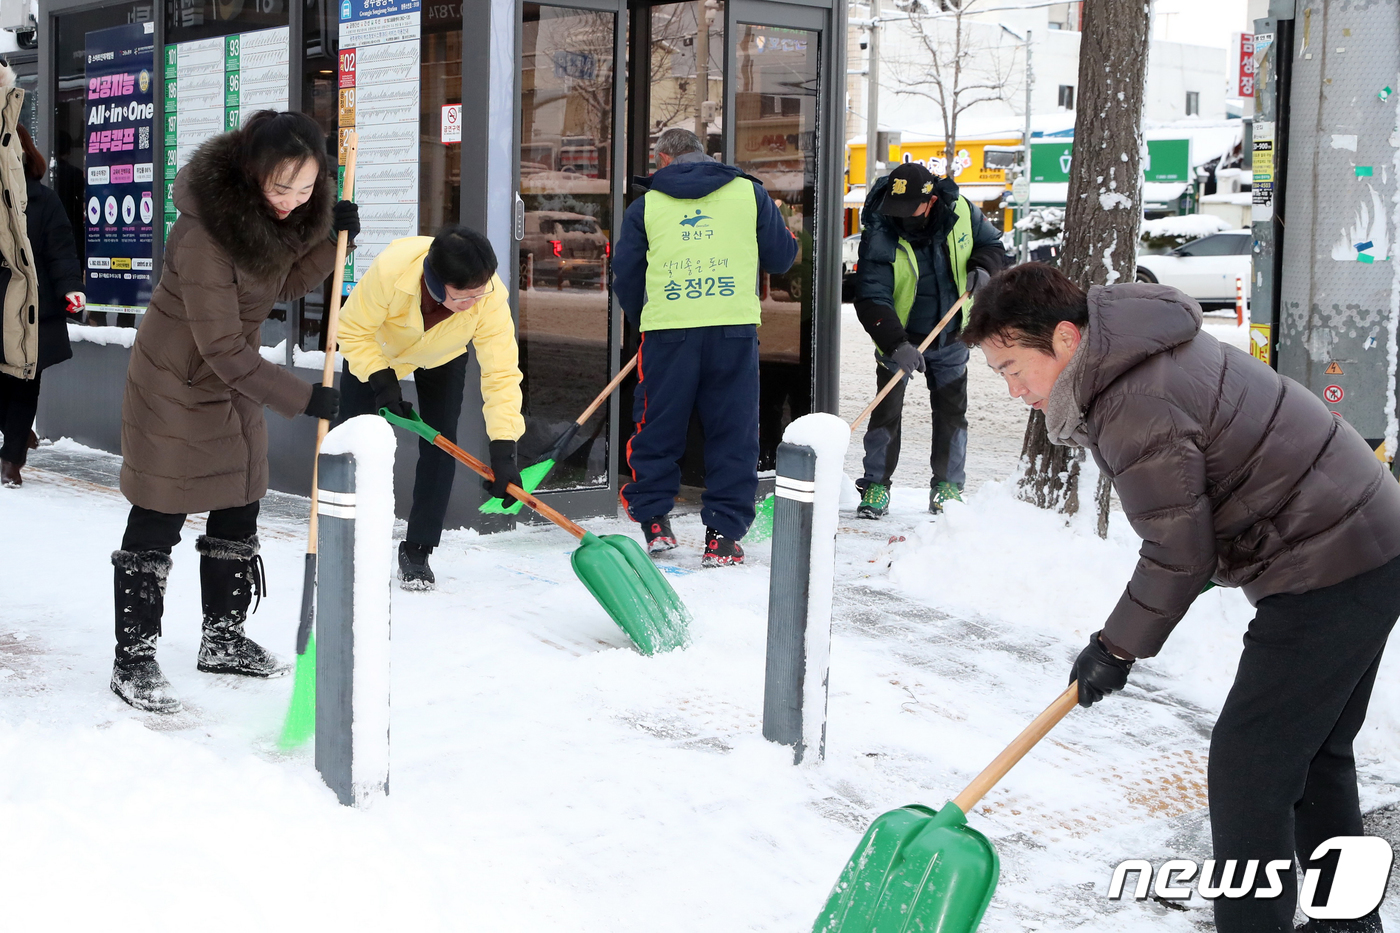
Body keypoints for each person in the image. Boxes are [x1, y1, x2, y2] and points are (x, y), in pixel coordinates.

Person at [962, 263, 1400, 933]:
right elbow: (1195, 525)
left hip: (1329, 561)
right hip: (1364, 539)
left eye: (1015, 368)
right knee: (1312, 751)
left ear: (1067, 338)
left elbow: (1178, 551)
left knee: (1250, 766)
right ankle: (1348, 922)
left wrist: (1114, 647)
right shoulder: (1140, 356)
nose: (1016, 389)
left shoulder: (1133, 401)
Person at [111, 110, 359, 713]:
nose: (293, 202)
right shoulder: (205, 235)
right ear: (251, 174)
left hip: (230, 378)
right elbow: (220, 345)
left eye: (307, 191)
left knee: (239, 500)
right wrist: (304, 397)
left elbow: (279, 285)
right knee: (159, 511)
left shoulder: (265, 220)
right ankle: (133, 658)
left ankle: (222, 637)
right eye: (282, 188)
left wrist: (328, 243)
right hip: (176, 382)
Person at [612, 127, 798, 566]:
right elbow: (782, 258)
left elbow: (626, 273)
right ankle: (725, 537)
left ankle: (655, 522)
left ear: (661, 159)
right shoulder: (750, 194)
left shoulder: (646, 205)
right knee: (733, 430)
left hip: (669, 330)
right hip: (732, 330)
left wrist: (649, 318)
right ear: (704, 154)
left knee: (657, 425)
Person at [336, 224, 524, 590]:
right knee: (351, 441)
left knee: (441, 444)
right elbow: (352, 330)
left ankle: (418, 550)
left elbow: (501, 371)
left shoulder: (489, 296)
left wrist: (505, 447)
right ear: (435, 282)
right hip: (377, 351)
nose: (474, 302)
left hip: (442, 354)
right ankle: (344, 535)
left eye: (479, 293)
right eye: (463, 296)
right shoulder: (392, 270)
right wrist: (382, 381)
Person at [850, 161, 1005, 519]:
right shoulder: (880, 229)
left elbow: (992, 244)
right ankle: (875, 484)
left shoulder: (961, 211)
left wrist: (982, 268)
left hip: (951, 334)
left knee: (952, 412)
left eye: (911, 209)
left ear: (932, 201)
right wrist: (895, 344)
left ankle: (947, 486)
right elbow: (872, 295)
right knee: (885, 413)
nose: (903, 217)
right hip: (900, 339)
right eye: (897, 208)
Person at [1, 122, 84, 486]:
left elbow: (61, 250)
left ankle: (11, 459)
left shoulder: (44, 200)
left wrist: (71, 288)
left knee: (23, 384)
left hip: (33, 308)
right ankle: (15, 432)